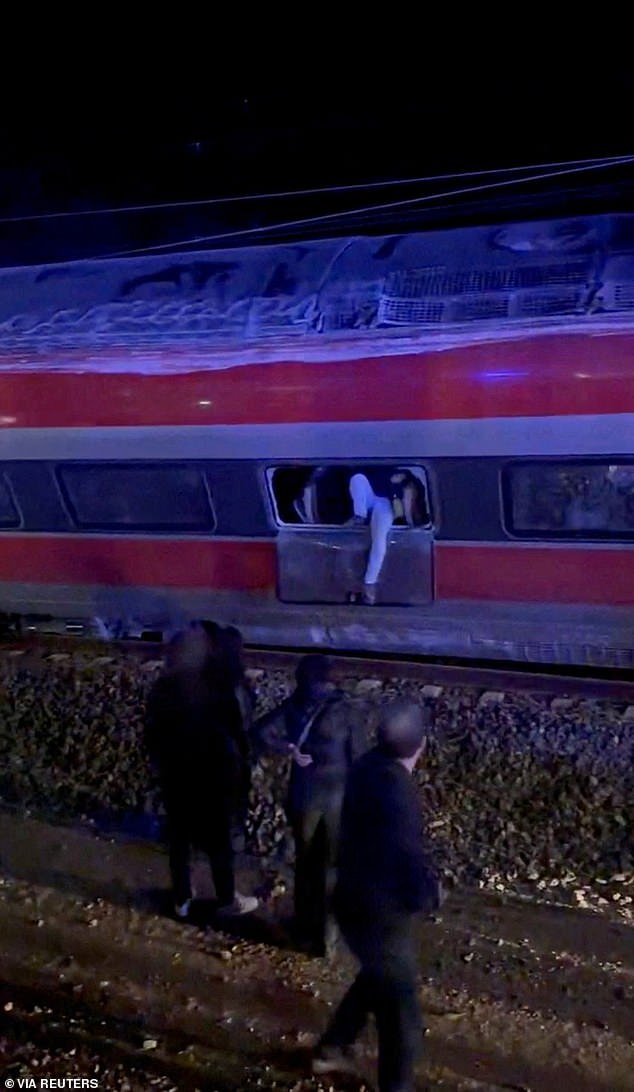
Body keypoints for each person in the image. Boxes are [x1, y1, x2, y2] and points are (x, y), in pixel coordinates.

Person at [312, 700, 442, 1091]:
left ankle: (333, 1046)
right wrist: (428, 896)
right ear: (421, 746)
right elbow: (404, 855)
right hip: (379, 912)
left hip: (352, 899)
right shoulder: (396, 791)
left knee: (377, 975)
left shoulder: (367, 766)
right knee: (401, 1018)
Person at [254, 654, 369, 955]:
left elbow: (259, 733)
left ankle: (303, 927)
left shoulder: (295, 704)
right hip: (337, 799)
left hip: (304, 796)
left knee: (305, 865)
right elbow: (359, 759)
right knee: (331, 867)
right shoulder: (347, 711)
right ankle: (326, 940)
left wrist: (288, 748)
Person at [145, 624, 259, 921]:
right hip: (214, 776)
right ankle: (226, 898)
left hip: (176, 776)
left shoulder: (163, 688)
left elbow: (153, 734)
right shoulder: (217, 686)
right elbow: (237, 732)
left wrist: (161, 766)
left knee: (179, 840)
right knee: (219, 841)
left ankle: (181, 898)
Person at [348, 469, 426, 604]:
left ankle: (369, 583)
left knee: (379, 539)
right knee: (358, 478)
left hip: (385, 504)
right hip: (371, 495)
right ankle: (359, 515)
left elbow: (407, 503)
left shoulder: (410, 481)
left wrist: (410, 522)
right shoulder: (380, 472)